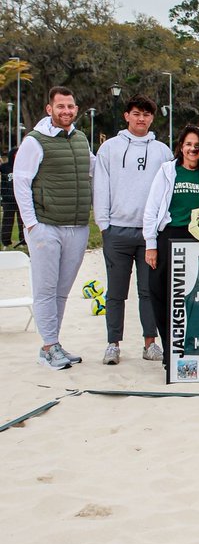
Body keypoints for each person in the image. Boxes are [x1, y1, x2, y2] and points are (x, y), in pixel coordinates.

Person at [14, 86, 94, 369]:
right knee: (45, 289)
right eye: (60, 107)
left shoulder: (81, 139)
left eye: (70, 106)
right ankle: (48, 347)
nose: (66, 111)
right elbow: (21, 182)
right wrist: (32, 224)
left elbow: (91, 172)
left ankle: (54, 342)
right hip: (46, 226)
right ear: (50, 109)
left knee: (62, 290)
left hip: (77, 226)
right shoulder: (34, 141)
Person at [94, 94, 172, 364]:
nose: (141, 118)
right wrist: (104, 225)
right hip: (117, 230)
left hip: (149, 233)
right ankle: (113, 343)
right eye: (136, 113)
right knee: (116, 292)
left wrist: (159, 226)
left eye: (147, 114)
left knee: (148, 290)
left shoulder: (162, 150)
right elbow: (101, 187)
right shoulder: (110, 148)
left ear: (152, 118)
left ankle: (150, 343)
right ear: (127, 115)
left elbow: (166, 191)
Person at [143, 126, 199, 359]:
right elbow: (152, 208)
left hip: (196, 239)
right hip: (169, 236)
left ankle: (191, 344)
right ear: (181, 146)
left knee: (192, 295)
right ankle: (169, 347)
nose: (192, 149)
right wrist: (151, 244)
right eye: (188, 144)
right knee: (161, 293)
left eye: (197, 146)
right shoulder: (168, 171)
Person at [0, 147, 23, 246]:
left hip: (21, 198)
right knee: (7, 220)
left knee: (22, 221)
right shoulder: (5, 167)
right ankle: (5, 241)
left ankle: (23, 240)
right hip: (8, 199)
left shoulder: (24, 167)